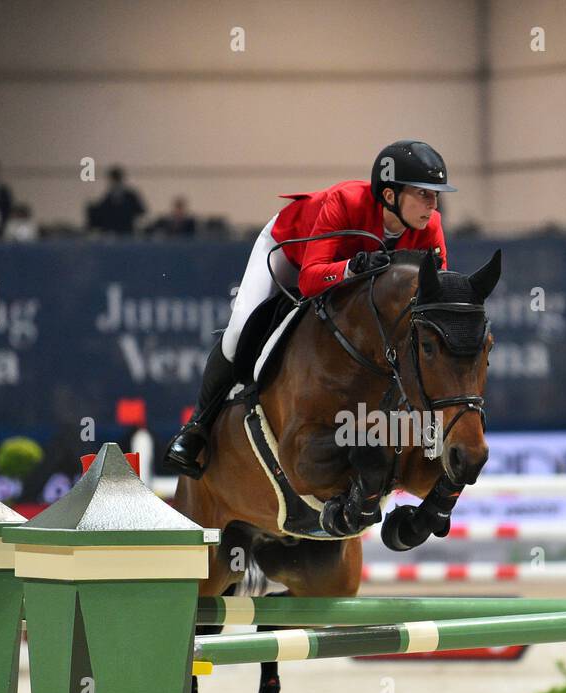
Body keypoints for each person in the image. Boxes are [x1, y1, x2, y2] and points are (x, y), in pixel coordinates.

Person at [164, 139, 454, 477]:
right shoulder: (344, 202)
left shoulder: (429, 227)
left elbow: (435, 300)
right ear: (390, 195)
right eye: (424, 194)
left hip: (344, 281)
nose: (433, 205)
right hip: (290, 250)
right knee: (239, 332)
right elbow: (309, 281)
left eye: (436, 196)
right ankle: (196, 427)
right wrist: (351, 268)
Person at [88, 166, 146, 235]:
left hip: (127, 231)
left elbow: (141, 210)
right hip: (111, 232)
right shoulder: (109, 197)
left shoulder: (129, 196)